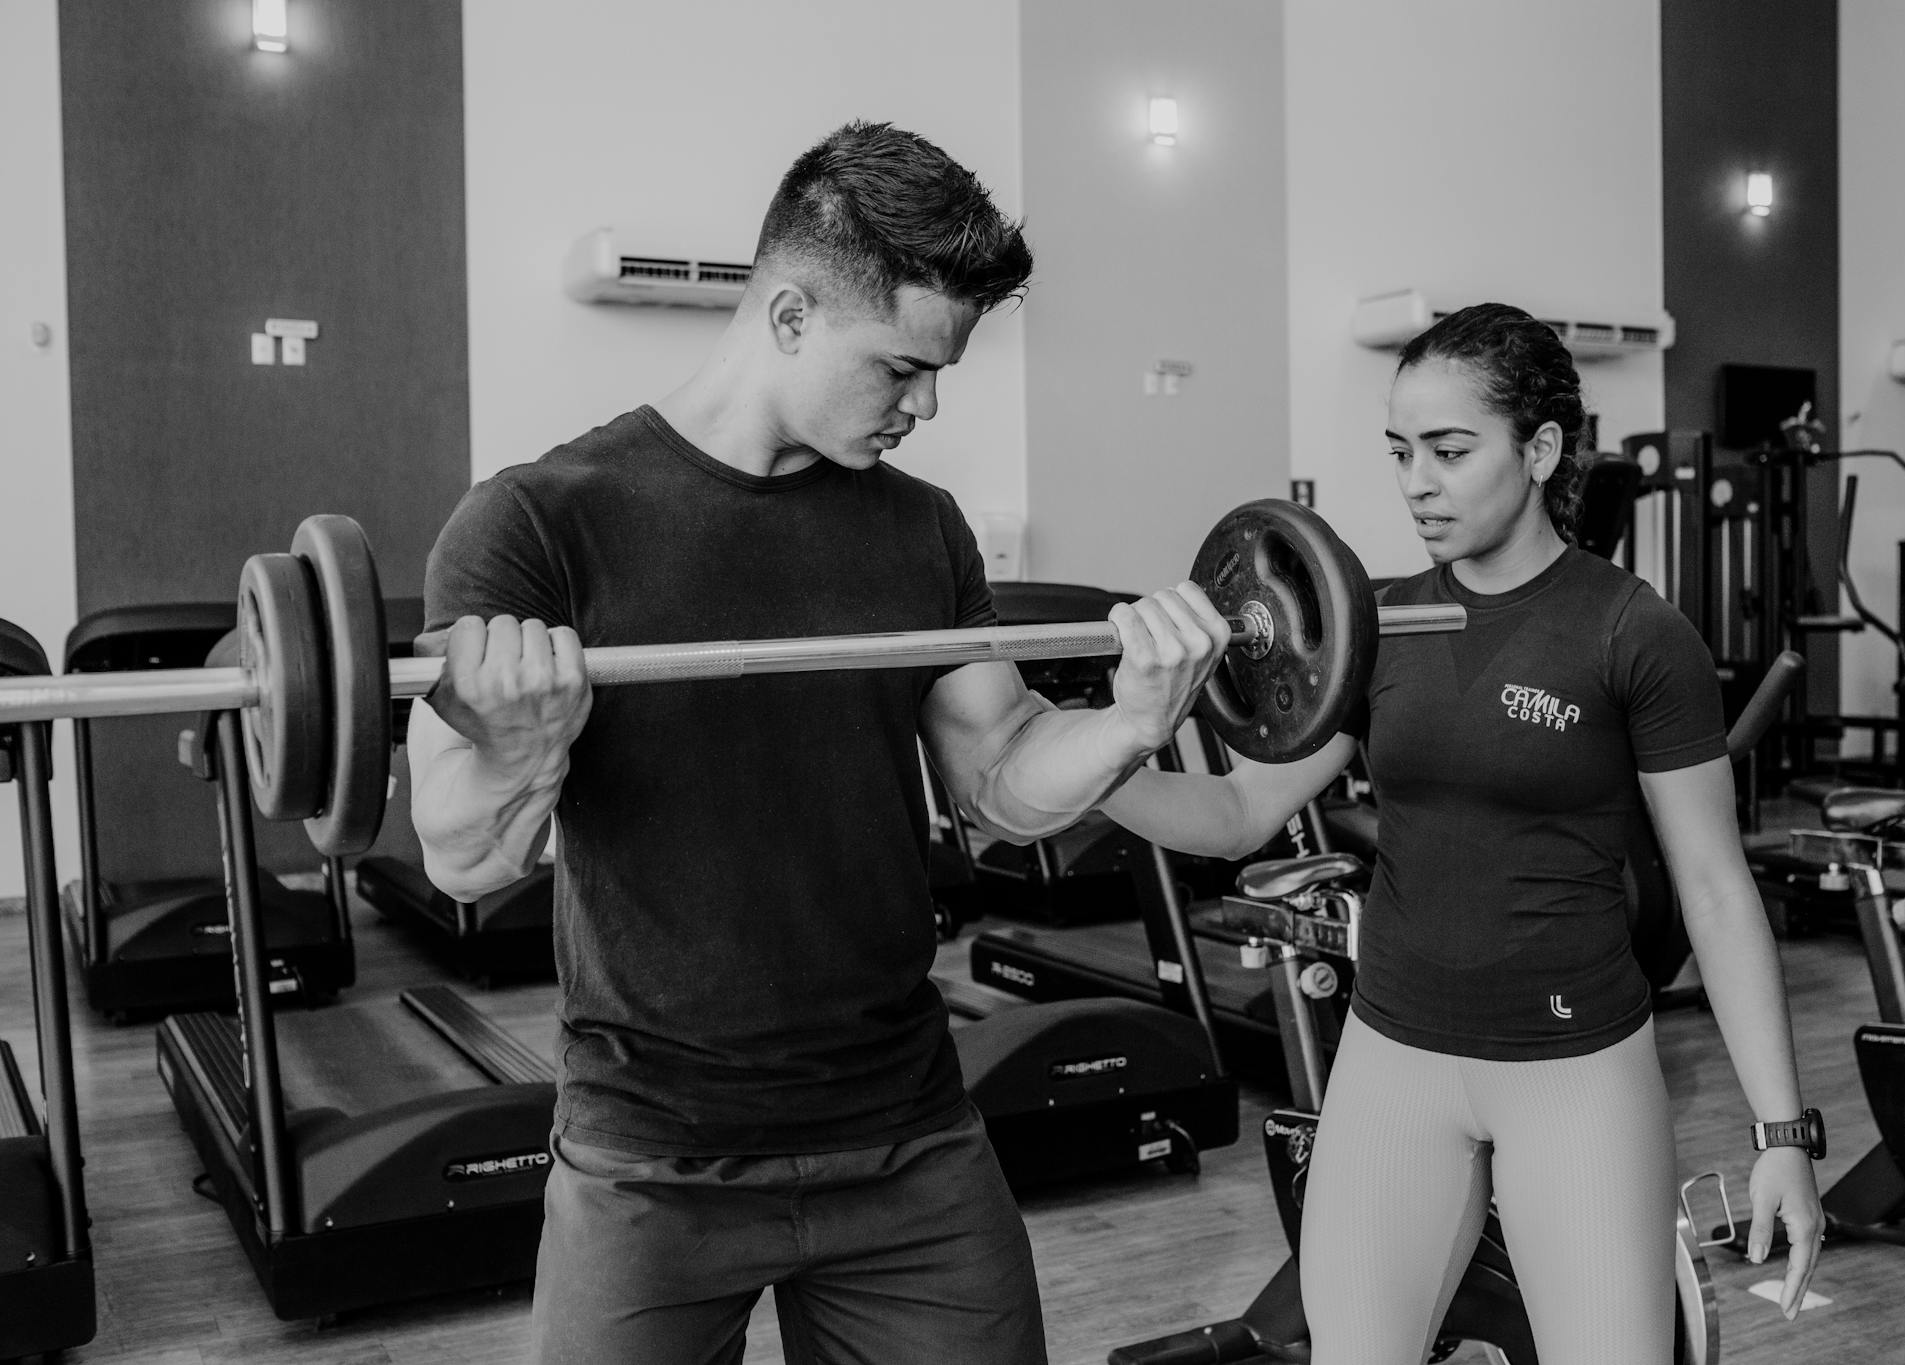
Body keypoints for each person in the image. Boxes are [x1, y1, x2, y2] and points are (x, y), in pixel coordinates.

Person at [407, 120, 1233, 1365]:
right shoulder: (534, 525)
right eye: (900, 367)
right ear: (789, 316)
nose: (926, 403)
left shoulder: (920, 530)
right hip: (653, 1160)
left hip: (906, 1134)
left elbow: (1001, 782)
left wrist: (1129, 723)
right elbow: (460, 860)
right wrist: (524, 751)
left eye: (941, 372)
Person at [1102, 303, 1825, 1363]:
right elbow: (1233, 814)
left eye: (1448, 451)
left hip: (1575, 1069)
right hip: (1392, 1059)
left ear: (1537, 450)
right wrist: (1073, 757)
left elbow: (1714, 892)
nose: (1415, 483)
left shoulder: (1630, 632)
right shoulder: (1375, 624)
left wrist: (1779, 1136)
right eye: (1398, 452)